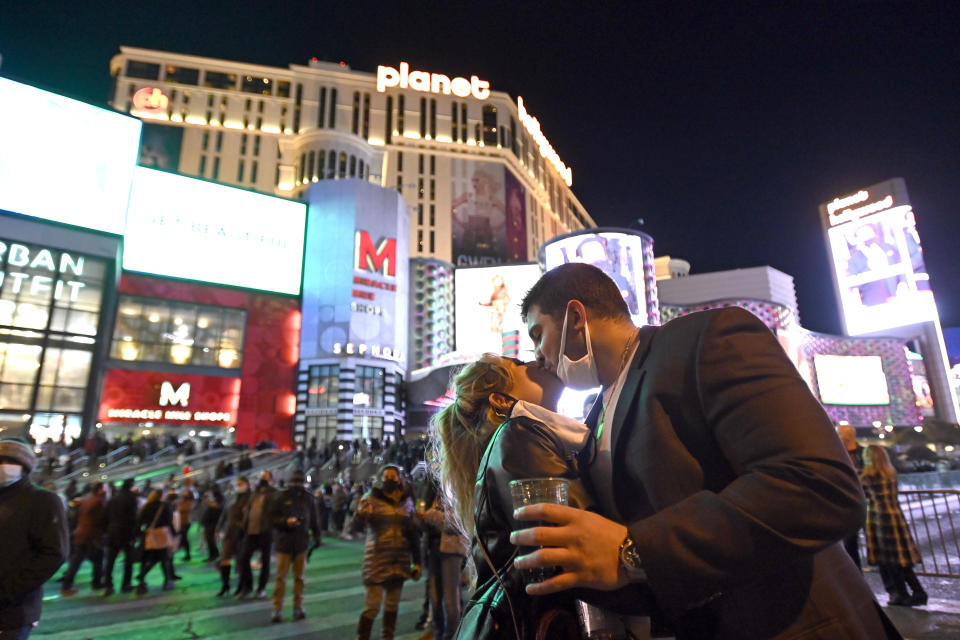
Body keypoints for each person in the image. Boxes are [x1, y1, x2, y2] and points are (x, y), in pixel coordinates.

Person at [509, 263, 899, 638]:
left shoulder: (706, 338)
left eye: (537, 333)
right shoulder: (595, 416)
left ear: (575, 316)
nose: (537, 356)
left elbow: (818, 486)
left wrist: (634, 550)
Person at [432, 354, 590, 639]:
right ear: (501, 401)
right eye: (520, 363)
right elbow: (582, 533)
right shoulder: (518, 434)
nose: (538, 360)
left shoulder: (534, 438)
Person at [0, 438, 69, 639]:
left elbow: (54, 554)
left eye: (9, 461)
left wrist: (8, 590)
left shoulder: (43, 501)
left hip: (12, 611)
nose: (3, 466)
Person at [353, 464, 422, 640]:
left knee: (392, 606)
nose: (390, 479)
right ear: (380, 479)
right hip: (376, 559)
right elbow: (357, 525)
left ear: (400, 478)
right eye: (387, 476)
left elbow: (414, 535)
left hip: (399, 560)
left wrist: (418, 562)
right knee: (372, 607)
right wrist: (361, 515)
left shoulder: (407, 501)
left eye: (394, 475)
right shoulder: (371, 499)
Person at [861, 445, 927, 606]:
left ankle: (902, 594)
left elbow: (864, 497)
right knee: (901, 559)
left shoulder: (867, 477)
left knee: (888, 560)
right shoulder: (890, 474)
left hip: (879, 519)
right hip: (895, 516)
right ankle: (917, 592)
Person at [269, 470, 322, 623]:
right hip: (284, 543)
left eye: (300, 482)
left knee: (299, 578)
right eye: (295, 482)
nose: (297, 485)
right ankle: (277, 609)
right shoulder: (281, 497)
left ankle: (297, 607)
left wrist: (317, 537)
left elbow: (314, 520)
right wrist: (286, 522)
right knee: (281, 578)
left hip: (301, 544)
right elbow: (272, 518)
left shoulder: (308, 499)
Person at [60, 482, 107, 596]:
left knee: (86, 559)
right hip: (91, 535)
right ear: (100, 489)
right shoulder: (99, 501)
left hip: (81, 533)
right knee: (86, 559)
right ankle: (94, 582)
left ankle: (70, 583)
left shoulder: (87, 500)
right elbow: (101, 519)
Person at [236, 470, 276, 599]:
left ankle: (261, 589)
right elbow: (249, 509)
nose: (262, 479)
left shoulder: (273, 493)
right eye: (261, 477)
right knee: (244, 558)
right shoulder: (255, 493)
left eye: (265, 477)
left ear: (270, 479)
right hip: (251, 531)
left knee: (265, 561)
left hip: (265, 531)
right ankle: (248, 587)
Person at [102, 478, 139, 595]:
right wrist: (134, 534)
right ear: (131, 486)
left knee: (110, 560)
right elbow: (133, 517)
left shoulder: (113, 498)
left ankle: (108, 585)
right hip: (126, 532)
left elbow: (106, 516)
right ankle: (126, 584)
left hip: (112, 532)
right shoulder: (131, 498)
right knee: (128, 560)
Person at [217, 476, 252, 597]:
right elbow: (225, 514)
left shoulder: (250, 498)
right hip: (229, 532)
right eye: (237, 483)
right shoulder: (233, 497)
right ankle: (225, 585)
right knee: (225, 559)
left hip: (241, 534)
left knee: (241, 561)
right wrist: (219, 528)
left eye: (241, 483)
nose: (238, 486)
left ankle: (242, 586)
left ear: (247, 484)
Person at [136, 490, 176, 594]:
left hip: (150, 534)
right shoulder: (166, 506)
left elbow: (140, 521)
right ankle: (167, 581)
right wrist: (174, 534)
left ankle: (141, 580)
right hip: (162, 534)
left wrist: (139, 534)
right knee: (164, 558)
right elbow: (169, 521)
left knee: (148, 558)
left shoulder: (147, 506)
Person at [838, 424, 865, 569]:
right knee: (849, 543)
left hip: (866, 500)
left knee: (876, 542)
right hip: (847, 502)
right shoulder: (836, 453)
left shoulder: (863, 453)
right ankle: (856, 574)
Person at [200, 485, 224, 562]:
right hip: (209, 522)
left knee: (211, 540)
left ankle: (214, 555)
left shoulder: (220, 498)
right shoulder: (215, 498)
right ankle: (213, 554)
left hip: (213, 522)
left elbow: (217, 506)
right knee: (209, 540)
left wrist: (208, 502)